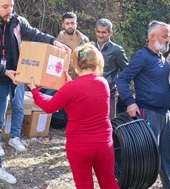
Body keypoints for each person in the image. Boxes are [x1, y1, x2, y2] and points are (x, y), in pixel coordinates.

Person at [0, 0, 70, 186]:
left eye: (11, 5)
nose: (9, 9)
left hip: (4, 83)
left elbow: (34, 33)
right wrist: (4, 71)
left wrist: (54, 41)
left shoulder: (17, 22)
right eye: (4, 6)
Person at [28, 43, 119, 189]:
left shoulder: (70, 88)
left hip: (79, 146)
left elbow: (49, 106)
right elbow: (86, 94)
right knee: (109, 182)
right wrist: (70, 85)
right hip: (104, 143)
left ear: (76, 65)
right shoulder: (103, 83)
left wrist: (34, 91)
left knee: (84, 185)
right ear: (97, 63)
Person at [116, 21, 170, 189]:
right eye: (165, 36)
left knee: (169, 155)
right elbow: (122, 79)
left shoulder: (162, 59)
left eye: (169, 36)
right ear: (152, 37)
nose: (168, 40)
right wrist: (130, 102)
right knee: (146, 158)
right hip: (148, 112)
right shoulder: (142, 56)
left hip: (165, 114)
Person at [94, 18, 128, 118]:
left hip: (109, 92)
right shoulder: (89, 47)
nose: (100, 35)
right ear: (95, 30)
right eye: (98, 32)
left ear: (110, 33)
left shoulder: (117, 50)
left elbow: (126, 70)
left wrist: (121, 87)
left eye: (104, 32)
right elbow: (80, 62)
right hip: (90, 90)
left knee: (108, 121)